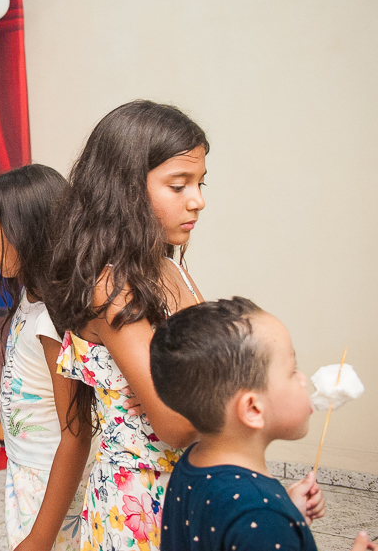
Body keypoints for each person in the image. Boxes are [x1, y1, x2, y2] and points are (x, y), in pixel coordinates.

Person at [46, 100, 209, 551]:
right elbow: (175, 422)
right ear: (127, 190)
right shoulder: (114, 287)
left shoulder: (172, 270)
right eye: (178, 185)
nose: (198, 200)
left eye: (200, 182)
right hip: (142, 504)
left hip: (191, 485)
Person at [150, 298, 376, 551]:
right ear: (254, 409)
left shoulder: (192, 463)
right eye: (293, 371)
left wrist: (288, 517)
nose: (304, 380)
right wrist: (275, 522)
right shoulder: (262, 515)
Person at [0, 165, 89, 551]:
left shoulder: (51, 321)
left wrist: (41, 537)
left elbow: (76, 434)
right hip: (27, 473)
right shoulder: (30, 298)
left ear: (28, 233)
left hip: (52, 484)